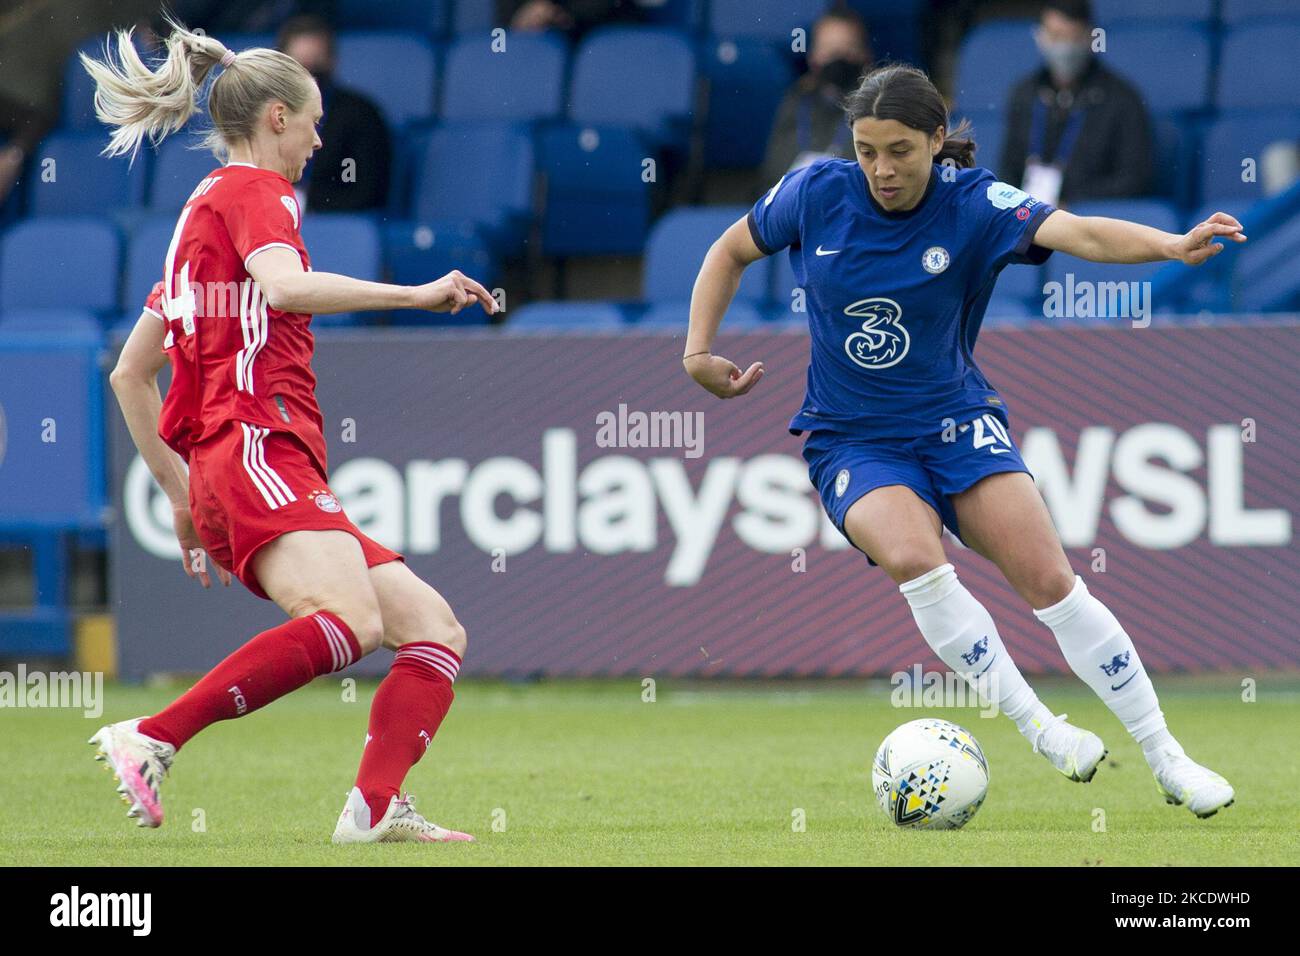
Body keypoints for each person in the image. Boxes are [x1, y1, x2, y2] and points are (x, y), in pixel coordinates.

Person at [683, 63, 1241, 819]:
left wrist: (1172, 245)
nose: (881, 168)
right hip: (851, 438)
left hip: (955, 423)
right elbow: (727, 251)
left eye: (900, 151)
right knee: (916, 557)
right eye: (867, 148)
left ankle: (1168, 758)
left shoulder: (976, 205)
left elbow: (1078, 233)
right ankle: (1039, 728)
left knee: (1052, 583)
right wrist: (696, 351)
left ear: (937, 139)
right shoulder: (816, 193)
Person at [84, 18, 497, 844]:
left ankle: (374, 809)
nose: (317, 139)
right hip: (253, 443)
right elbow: (284, 289)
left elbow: (131, 372)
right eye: (311, 122)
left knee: (433, 629)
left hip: (230, 461)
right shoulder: (256, 194)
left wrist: (177, 494)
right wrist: (415, 296)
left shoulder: (196, 217)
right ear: (276, 116)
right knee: (351, 622)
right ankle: (154, 734)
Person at [1000, 0, 1152, 207]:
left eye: (1073, 38)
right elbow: (1008, 169)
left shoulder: (1122, 98)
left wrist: (1072, 205)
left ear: (1091, 38)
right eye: (1055, 36)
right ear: (1039, 36)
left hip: (1090, 220)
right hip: (1028, 218)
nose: (1063, 48)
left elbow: (1134, 180)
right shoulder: (1024, 93)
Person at [276, 14, 391, 213]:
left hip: (332, 225)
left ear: (332, 61)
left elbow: (365, 190)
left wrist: (304, 202)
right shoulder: (264, 113)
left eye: (315, 67)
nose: (307, 76)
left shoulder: (359, 115)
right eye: (298, 66)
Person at [760, 8, 873, 189]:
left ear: (864, 55)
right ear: (813, 56)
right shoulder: (795, 102)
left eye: (847, 48)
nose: (837, 57)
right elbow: (772, 174)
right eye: (828, 49)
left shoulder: (877, 109)